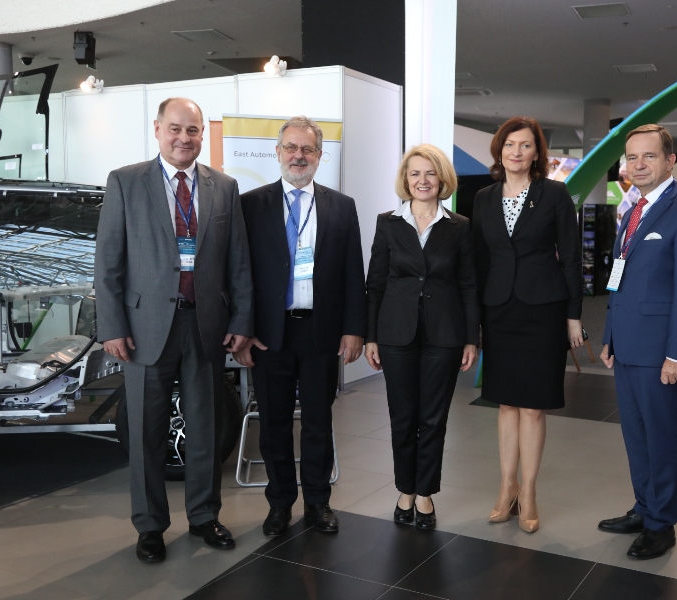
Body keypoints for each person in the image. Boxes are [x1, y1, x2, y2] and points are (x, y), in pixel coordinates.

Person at [95, 97, 254, 563]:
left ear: (203, 133)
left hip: (205, 325)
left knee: (206, 428)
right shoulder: (125, 182)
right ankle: (149, 526)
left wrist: (241, 320)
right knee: (146, 432)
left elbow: (238, 262)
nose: (184, 138)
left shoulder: (224, 187)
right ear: (158, 129)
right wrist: (112, 326)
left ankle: (204, 516)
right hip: (144, 328)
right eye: (176, 129)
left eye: (193, 130)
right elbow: (108, 261)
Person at [236, 115, 367, 537]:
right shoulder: (250, 204)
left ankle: (317, 502)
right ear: (277, 152)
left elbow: (353, 272)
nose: (298, 156)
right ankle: (279, 504)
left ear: (320, 155)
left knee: (318, 421)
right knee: (273, 423)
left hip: (320, 332)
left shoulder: (341, 206)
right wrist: (243, 328)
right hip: (268, 335)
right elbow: (239, 273)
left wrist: (354, 329)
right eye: (291, 148)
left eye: (307, 149)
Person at [598, 124, 677, 560]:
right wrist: (609, 337)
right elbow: (621, 278)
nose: (639, 164)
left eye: (649, 156)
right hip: (627, 345)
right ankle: (644, 507)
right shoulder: (634, 210)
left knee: (661, 440)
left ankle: (661, 524)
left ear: (670, 160)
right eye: (632, 157)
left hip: (659, 351)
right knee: (636, 436)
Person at [472, 116, 583, 534]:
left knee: (533, 406)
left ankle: (530, 491)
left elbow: (571, 258)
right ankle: (508, 487)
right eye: (509, 144)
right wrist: (474, 320)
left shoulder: (554, 194)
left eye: (525, 145)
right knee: (505, 403)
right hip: (498, 310)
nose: (516, 152)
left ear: (537, 153)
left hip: (543, 311)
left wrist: (574, 316)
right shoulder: (483, 197)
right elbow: (478, 261)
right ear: (499, 150)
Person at [364, 145, 479, 530]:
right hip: (396, 332)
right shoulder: (388, 223)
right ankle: (405, 490)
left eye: (430, 173)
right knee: (403, 417)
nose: (423, 180)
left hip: (444, 334)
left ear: (442, 179)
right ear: (406, 179)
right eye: (415, 173)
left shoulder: (459, 226)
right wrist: (370, 336)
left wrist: (471, 338)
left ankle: (425, 492)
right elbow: (375, 283)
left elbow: (468, 284)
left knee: (433, 418)